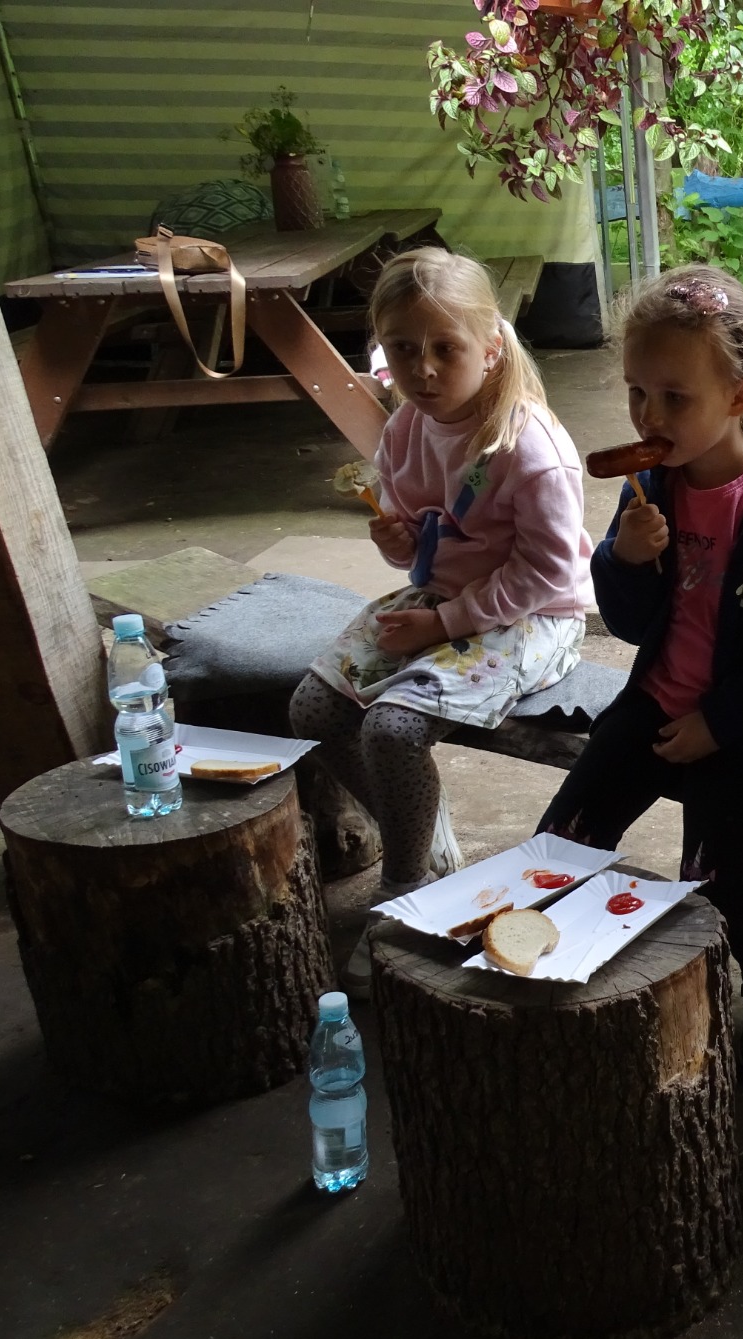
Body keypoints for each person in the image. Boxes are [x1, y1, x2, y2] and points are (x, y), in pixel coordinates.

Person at [537, 264, 743, 1074]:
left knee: (711, 877)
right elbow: (632, 623)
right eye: (636, 393)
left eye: (674, 398)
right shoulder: (649, 487)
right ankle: (566, 980)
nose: (649, 416)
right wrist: (624, 560)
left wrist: (718, 724)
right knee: (560, 845)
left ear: (740, 397)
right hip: (656, 700)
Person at [291, 248, 593, 997]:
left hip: (531, 616)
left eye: (445, 349)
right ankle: (420, 833)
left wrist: (445, 621)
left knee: (393, 729)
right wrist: (398, 542)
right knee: (312, 708)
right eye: (402, 349)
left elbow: (548, 573)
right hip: (443, 601)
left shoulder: (529, 447)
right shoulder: (405, 428)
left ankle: (403, 887)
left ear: (490, 347)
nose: (422, 370)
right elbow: (420, 539)